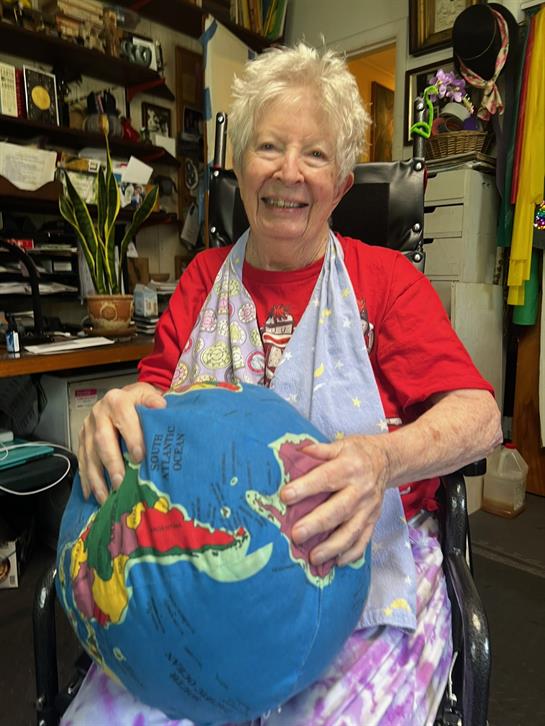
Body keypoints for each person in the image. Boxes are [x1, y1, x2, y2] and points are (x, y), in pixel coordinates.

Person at [70, 42, 501, 725]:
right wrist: (116, 410)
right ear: (239, 167)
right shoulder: (201, 281)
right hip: (204, 573)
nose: (288, 172)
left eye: (315, 154)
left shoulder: (385, 282)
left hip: (358, 564)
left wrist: (380, 459)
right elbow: (152, 407)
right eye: (268, 146)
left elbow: (479, 417)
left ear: (342, 183)